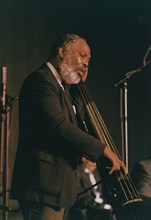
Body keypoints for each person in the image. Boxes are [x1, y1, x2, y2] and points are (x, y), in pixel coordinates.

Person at [10, 33, 126, 220]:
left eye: (88, 60)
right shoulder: (41, 80)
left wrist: (79, 86)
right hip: (42, 186)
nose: (86, 63)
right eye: (82, 55)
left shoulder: (62, 88)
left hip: (57, 190)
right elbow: (60, 125)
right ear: (62, 52)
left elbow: (78, 122)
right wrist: (103, 149)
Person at [66, 156, 116, 220]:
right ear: (84, 159)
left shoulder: (96, 171)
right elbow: (80, 198)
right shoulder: (78, 173)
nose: (95, 163)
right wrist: (102, 206)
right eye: (93, 160)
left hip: (102, 205)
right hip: (88, 209)